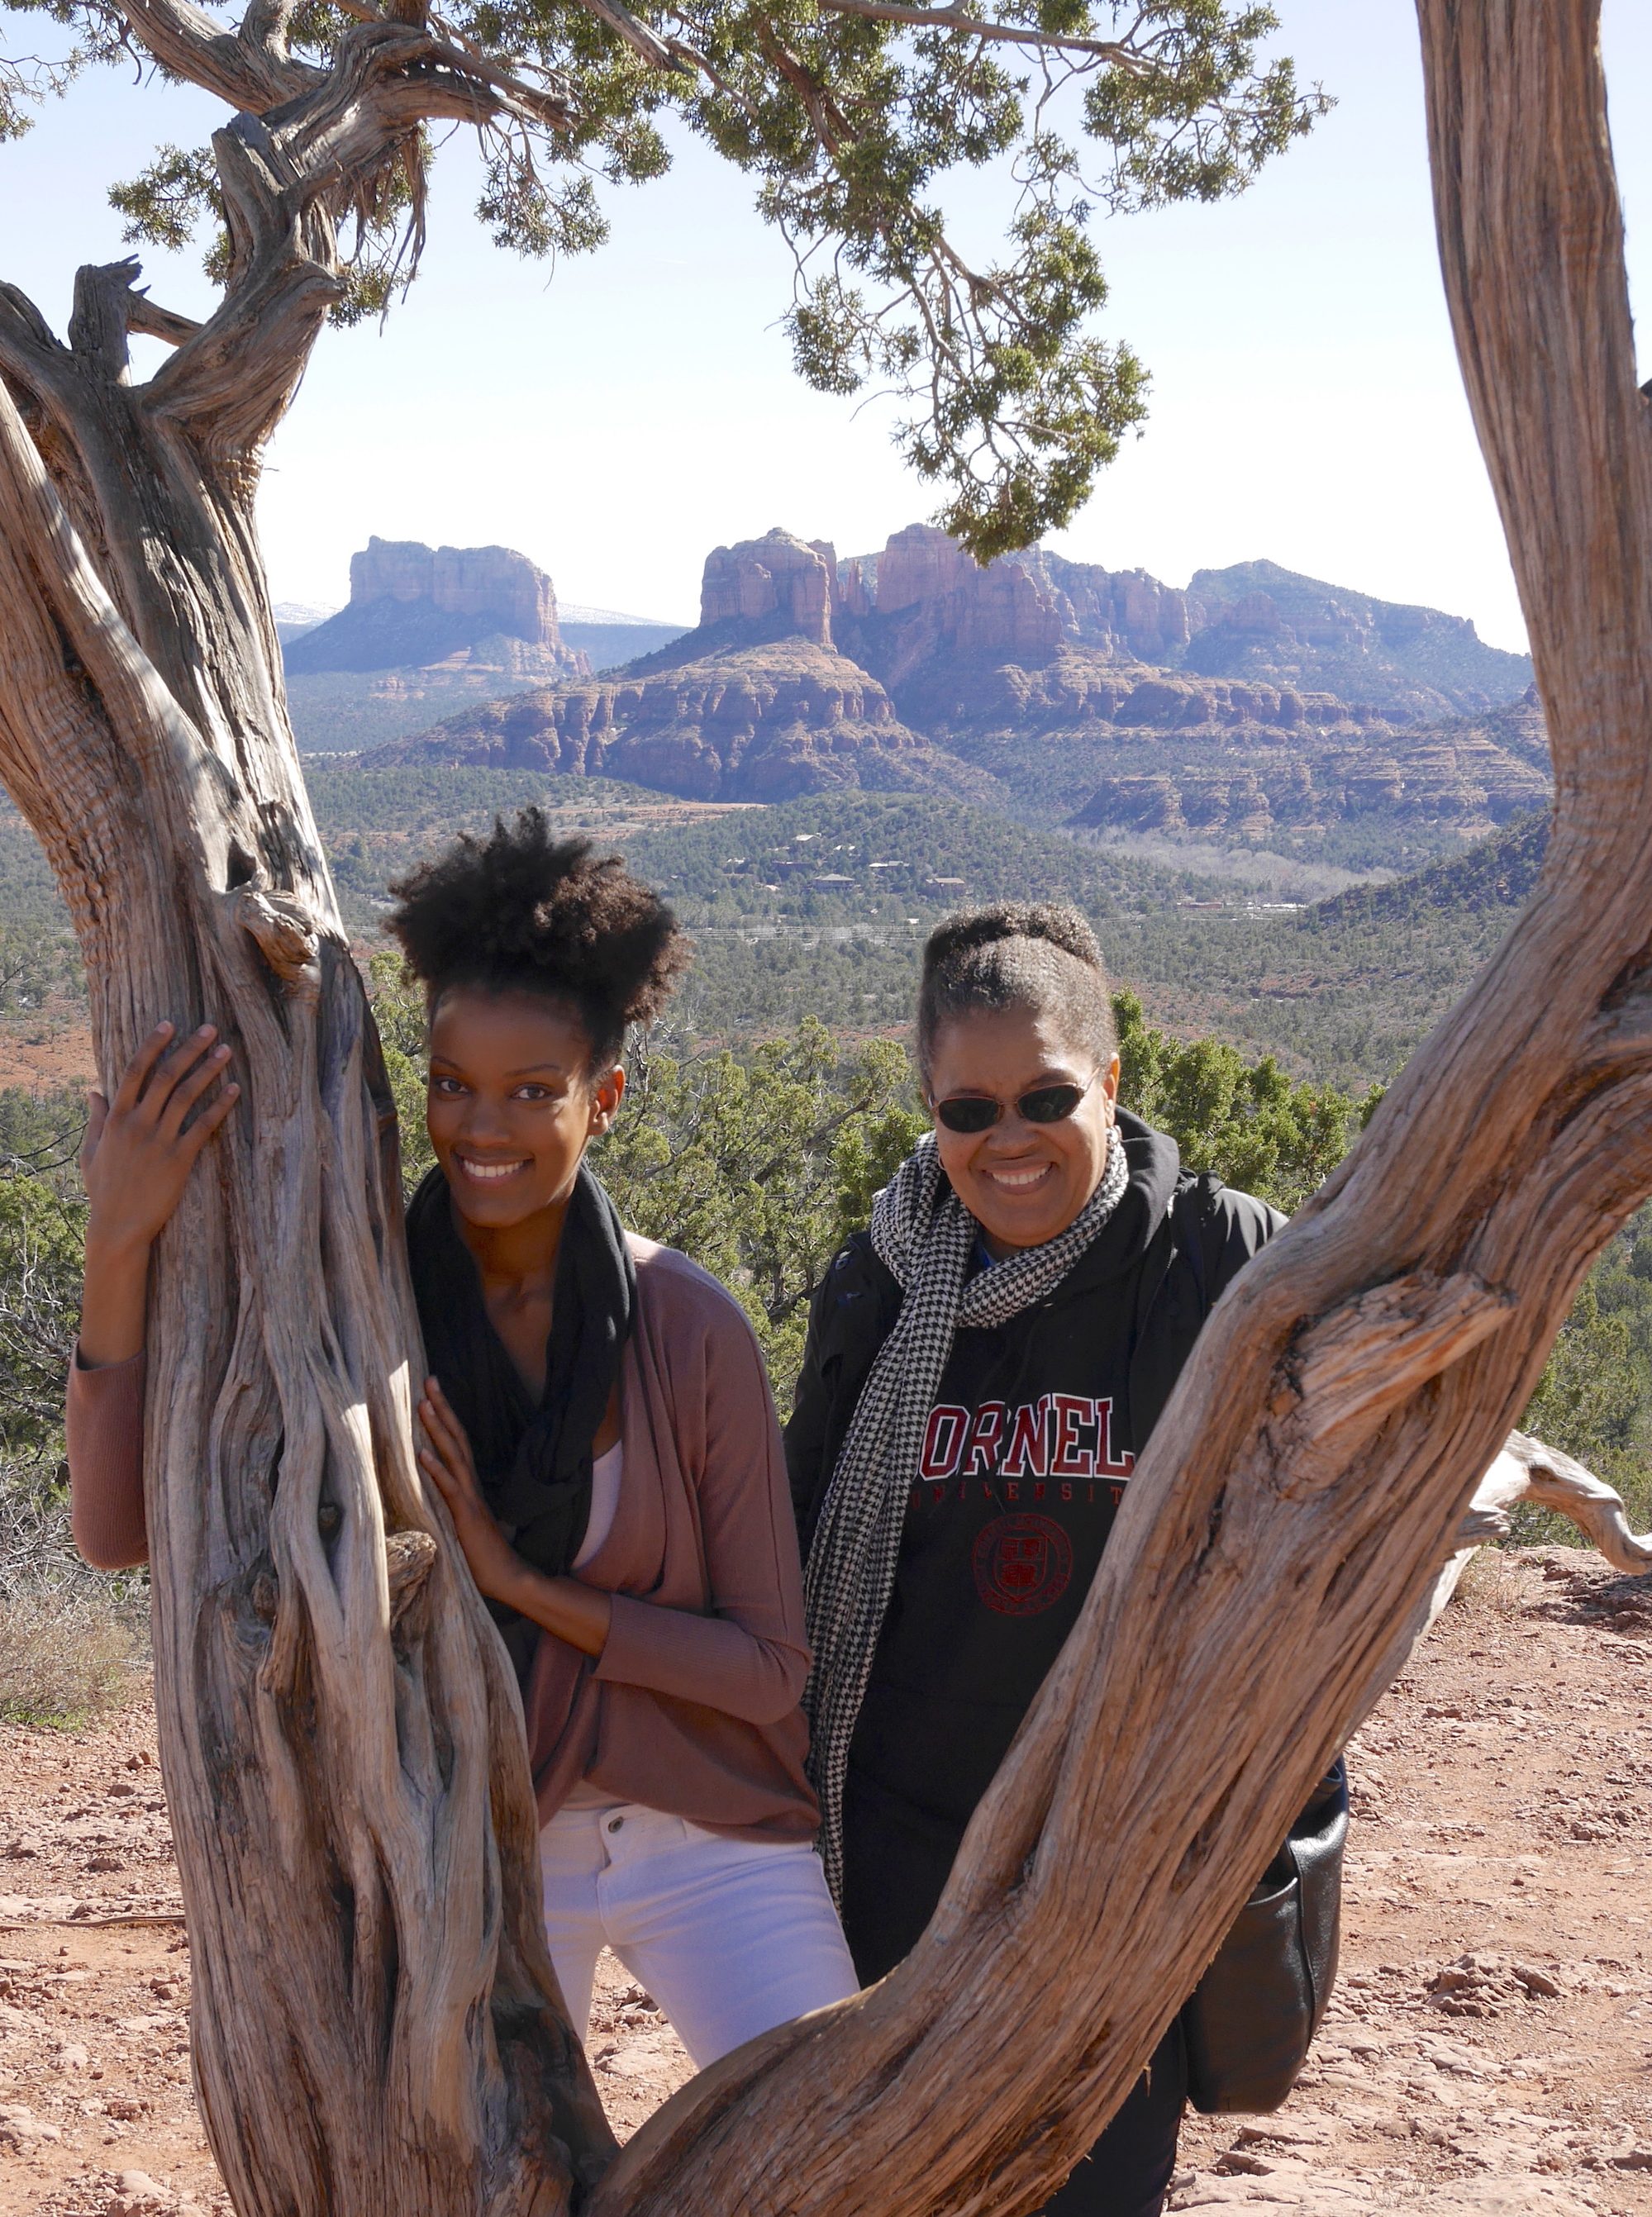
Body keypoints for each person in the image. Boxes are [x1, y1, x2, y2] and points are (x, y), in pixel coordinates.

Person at [66, 809, 859, 2072]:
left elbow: (767, 1670)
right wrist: (121, 1244)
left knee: (837, 2152)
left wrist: (524, 1584)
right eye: (451, 1086)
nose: (483, 1130)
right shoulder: (361, 1309)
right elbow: (115, 1535)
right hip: (478, 1842)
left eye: (533, 1092)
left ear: (603, 1096)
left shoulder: (686, 1326)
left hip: (711, 1835)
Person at [787, 902, 1342, 2217]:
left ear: (1111, 1077)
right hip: (894, 1863)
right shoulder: (880, 1281)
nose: (1007, 1140)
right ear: (929, 1111)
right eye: (965, 1111)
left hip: (1112, 1867)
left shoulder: (1220, 1262)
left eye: (1043, 1095)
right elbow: (804, 1545)